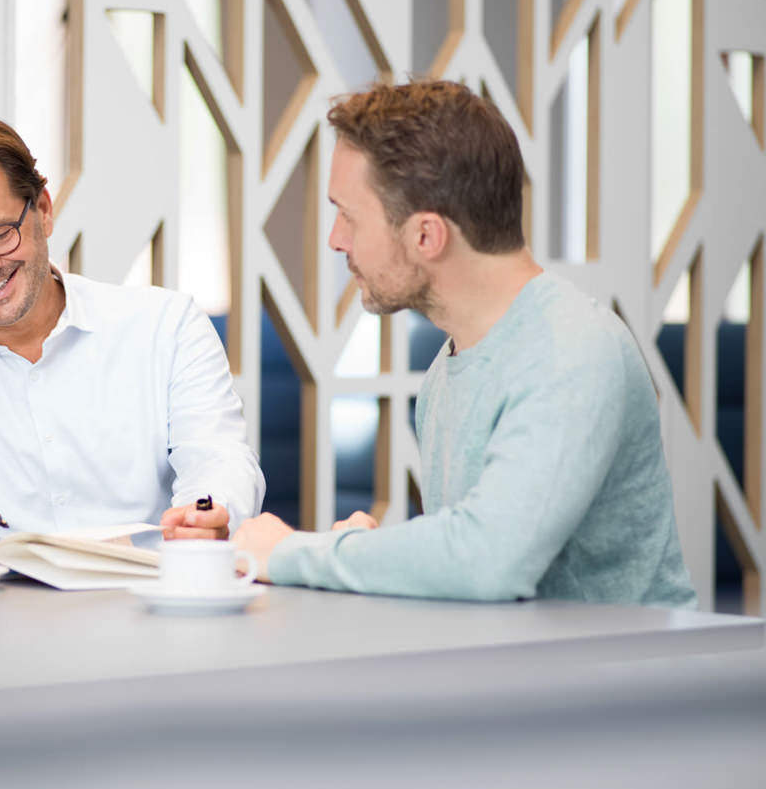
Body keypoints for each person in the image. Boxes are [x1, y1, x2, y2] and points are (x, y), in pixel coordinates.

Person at [233, 80, 696, 607]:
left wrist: (295, 553)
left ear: (426, 236)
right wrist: (364, 553)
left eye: (349, 216)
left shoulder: (575, 351)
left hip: (631, 682)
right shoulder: (451, 365)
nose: (336, 239)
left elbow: (488, 562)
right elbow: (474, 551)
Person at [0, 114, 264, 562]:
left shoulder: (166, 325)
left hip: (143, 599)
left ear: (43, 209)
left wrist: (207, 516)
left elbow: (218, 459)